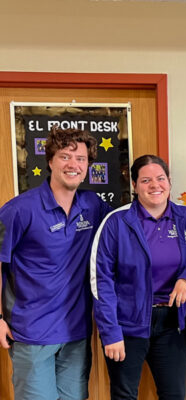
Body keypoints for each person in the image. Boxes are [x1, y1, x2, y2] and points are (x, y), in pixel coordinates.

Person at [0, 127, 111, 400]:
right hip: (31, 332)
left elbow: (126, 235)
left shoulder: (93, 205)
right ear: (50, 161)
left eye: (81, 159)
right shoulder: (19, 209)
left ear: (88, 166)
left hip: (77, 331)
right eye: (65, 157)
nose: (73, 165)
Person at [90, 155, 186, 400]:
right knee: (124, 395)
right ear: (134, 185)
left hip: (170, 323)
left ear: (169, 181)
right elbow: (100, 280)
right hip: (126, 325)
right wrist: (110, 332)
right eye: (145, 180)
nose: (155, 185)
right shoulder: (116, 222)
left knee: (175, 394)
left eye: (160, 178)